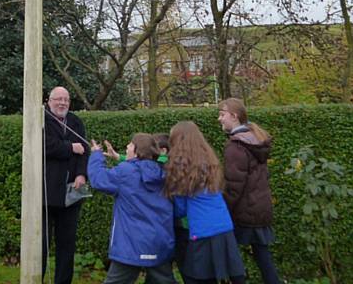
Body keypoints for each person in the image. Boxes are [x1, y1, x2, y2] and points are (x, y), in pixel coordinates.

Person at [88, 133, 178, 284]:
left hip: (131, 244)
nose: (127, 147)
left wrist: (96, 155)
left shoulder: (126, 172)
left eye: (130, 145)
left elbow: (98, 179)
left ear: (137, 151)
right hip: (159, 241)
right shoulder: (164, 171)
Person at [165, 120, 246, 284]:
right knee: (233, 275)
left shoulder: (181, 165)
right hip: (223, 226)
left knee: (197, 277)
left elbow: (180, 208)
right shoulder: (209, 159)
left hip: (202, 230)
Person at [218, 98, 282, 284]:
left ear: (234, 116)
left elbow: (233, 186)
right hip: (260, 209)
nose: (219, 119)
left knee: (230, 257)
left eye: (222, 115)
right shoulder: (255, 140)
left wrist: (224, 211)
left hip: (244, 212)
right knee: (263, 257)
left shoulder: (236, 147)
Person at [43, 86, 89, 284]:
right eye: (58, 99)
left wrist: (81, 174)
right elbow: (44, 145)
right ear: (49, 101)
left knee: (67, 244)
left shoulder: (76, 122)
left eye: (66, 100)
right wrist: (70, 147)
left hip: (71, 192)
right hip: (45, 193)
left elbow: (84, 149)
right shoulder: (40, 120)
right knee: (41, 244)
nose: (62, 103)